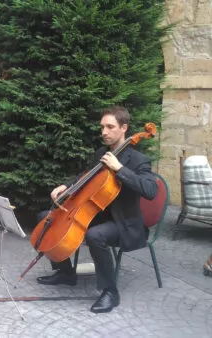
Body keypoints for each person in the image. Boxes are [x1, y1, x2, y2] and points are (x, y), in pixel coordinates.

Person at [36, 106, 158, 314]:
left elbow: (150, 190)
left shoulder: (138, 160)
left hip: (124, 222)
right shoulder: (101, 153)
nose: (104, 132)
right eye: (102, 127)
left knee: (95, 235)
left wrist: (119, 169)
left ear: (123, 128)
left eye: (110, 127)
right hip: (98, 214)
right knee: (46, 217)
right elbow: (85, 176)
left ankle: (110, 291)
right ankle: (65, 273)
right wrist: (66, 186)